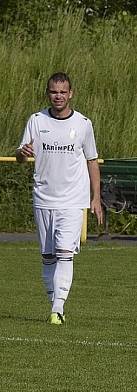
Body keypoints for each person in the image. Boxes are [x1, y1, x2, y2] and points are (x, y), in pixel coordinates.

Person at [16, 72, 103, 325]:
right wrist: (23, 153)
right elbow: (22, 157)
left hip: (73, 200)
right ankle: (54, 302)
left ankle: (58, 309)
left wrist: (95, 198)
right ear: (48, 93)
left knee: (66, 252)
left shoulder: (83, 124)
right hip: (44, 198)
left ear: (71, 94)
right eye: (54, 92)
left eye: (63, 92)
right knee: (48, 256)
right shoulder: (36, 120)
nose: (58, 96)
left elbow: (92, 160)